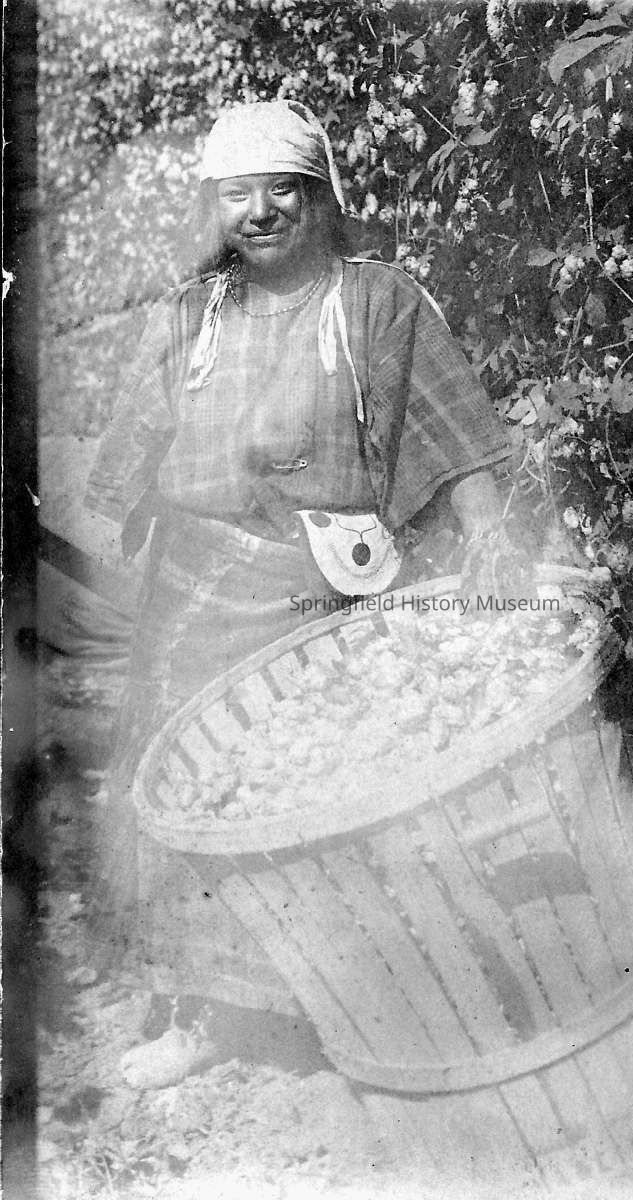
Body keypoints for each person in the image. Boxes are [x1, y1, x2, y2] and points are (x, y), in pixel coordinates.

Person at [84, 98, 521, 1087]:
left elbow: (451, 430)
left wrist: (490, 529)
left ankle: (359, 1010)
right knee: (186, 789)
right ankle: (202, 1013)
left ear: (321, 196)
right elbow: (134, 444)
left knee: (331, 790)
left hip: (329, 595)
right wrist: (113, 532)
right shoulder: (192, 314)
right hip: (199, 592)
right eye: (237, 194)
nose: (261, 212)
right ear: (212, 207)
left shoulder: (377, 302)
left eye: (283, 189)